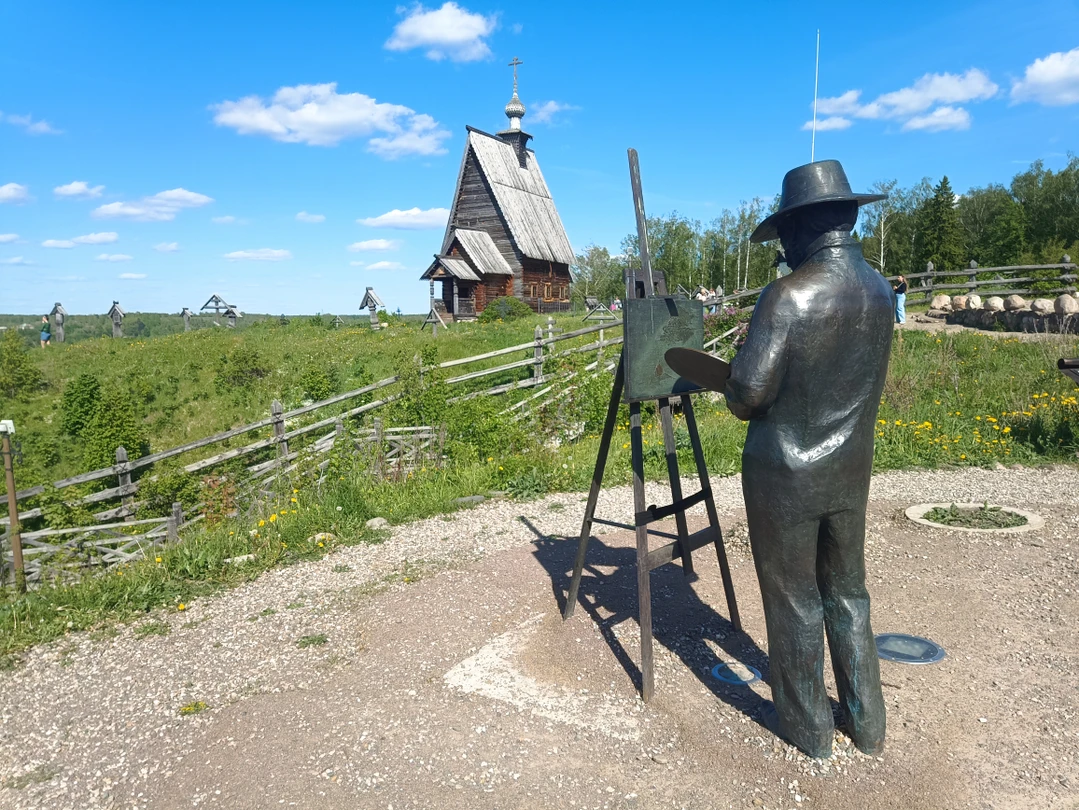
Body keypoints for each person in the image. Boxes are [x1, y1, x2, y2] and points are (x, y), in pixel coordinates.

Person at [668, 161, 893, 759]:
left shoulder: (788, 296)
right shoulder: (880, 291)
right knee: (849, 592)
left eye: (784, 234)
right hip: (851, 470)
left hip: (786, 476)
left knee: (794, 597)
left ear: (800, 226)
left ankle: (807, 726)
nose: (782, 249)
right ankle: (868, 722)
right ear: (845, 218)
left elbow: (748, 394)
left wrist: (732, 381)